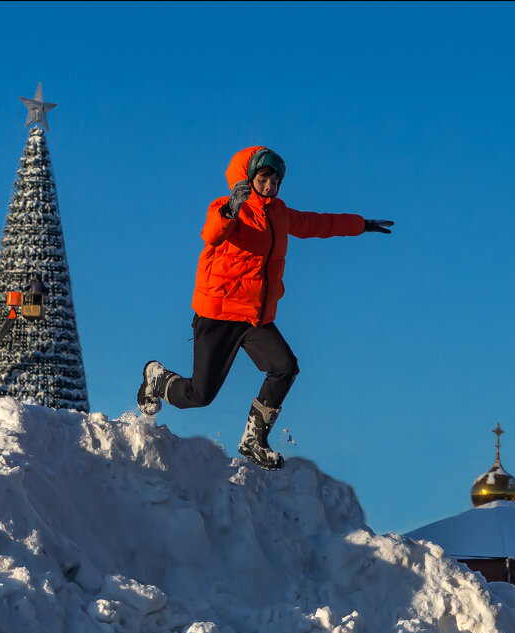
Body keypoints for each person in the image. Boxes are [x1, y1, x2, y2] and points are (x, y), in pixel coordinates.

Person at [138, 145, 393, 471]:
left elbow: (318, 224)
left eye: (276, 181)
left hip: (254, 317)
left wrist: (361, 224)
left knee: (285, 367)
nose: (270, 187)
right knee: (199, 396)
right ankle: (156, 379)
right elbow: (212, 233)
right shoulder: (228, 207)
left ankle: (253, 439)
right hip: (218, 314)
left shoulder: (279, 213)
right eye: (264, 179)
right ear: (249, 178)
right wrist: (233, 206)